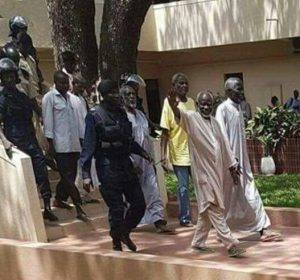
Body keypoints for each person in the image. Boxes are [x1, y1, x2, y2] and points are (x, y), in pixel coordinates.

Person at [167, 89, 246, 257]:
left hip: (216, 173)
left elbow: (224, 146)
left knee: (206, 211)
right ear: (197, 105)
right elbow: (179, 115)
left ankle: (198, 241)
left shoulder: (215, 123)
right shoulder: (192, 119)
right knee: (213, 206)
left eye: (208, 104)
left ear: (212, 105)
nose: (205, 107)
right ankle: (230, 244)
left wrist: (232, 167)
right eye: (202, 104)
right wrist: (173, 105)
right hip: (202, 175)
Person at [80, 80, 150, 251]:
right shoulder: (94, 115)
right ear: (103, 95)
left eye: (116, 92)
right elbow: (88, 145)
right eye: (111, 93)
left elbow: (128, 139)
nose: (116, 95)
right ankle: (116, 241)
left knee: (139, 204)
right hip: (107, 166)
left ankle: (124, 232)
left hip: (125, 164)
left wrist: (141, 152)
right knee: (117, 207)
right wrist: (86, 174)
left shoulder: (121, 113)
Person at [215, 77, 281, 242]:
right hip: (230, 164)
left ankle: (263, 229)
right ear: (228, 91)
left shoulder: (239, 108)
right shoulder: (222, 109)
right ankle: (222, 230)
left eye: (242, 88)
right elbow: (221, 137)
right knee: (227, 198)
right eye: (238, 89)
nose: (241, 92)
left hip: (242, 164)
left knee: (251, 192)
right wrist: (231, 162)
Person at [0, 58, 58, 221]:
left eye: (11, 75)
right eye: (6, 76)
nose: (9, 79)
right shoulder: (1, 99)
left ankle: (47, 207)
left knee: (42, 174)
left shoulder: (23, 97)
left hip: (30, 140)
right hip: (15, 142)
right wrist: (5, 141)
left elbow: (33, 116)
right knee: (23, 179)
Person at [120, 85, 172, 233]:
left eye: (133, 94)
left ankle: (159, 221)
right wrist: (130, 164)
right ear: (122, 98)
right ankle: (127, 224)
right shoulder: (122, 117)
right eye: (128, 94)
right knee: (131, 196)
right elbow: (125, 142)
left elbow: (148, 134)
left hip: (146, 159)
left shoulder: (141, 115)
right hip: (130, 162)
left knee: (153, 190)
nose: (132, 97)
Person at [42, 71, 88, 221]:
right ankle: (79, 207)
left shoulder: (73, 99)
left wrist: (82, 139)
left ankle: (60, 198)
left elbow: (79, 121)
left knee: (71, 175)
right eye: (61, 83)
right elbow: (48, 121)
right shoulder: (49, 98)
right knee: (68, 178)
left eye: (66, 83)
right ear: (55, 83)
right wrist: (50, 144)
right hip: (59, 145)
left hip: (74, 144)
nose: (64, 86)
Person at [160, 73, 195, 227]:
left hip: (194, 153)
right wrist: (163, 155)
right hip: (179, 154)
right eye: (180, 84)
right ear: (173, 87)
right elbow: (165, 131)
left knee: (202, 186)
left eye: (186, 83)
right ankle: (185, 218)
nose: (184, 86)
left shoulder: (192, 102)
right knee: (183, 188)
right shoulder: (168, 104)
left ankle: (208, 216)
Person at [71, 74, 100, 204]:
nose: (81, 88)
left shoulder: (82, 99)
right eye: (79, 86)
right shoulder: (70, 99)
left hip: (85, 135)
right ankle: (80, 195)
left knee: (88, 166)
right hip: (77, 137)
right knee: (79, 167)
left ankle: (86, 194)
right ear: (74, 84)